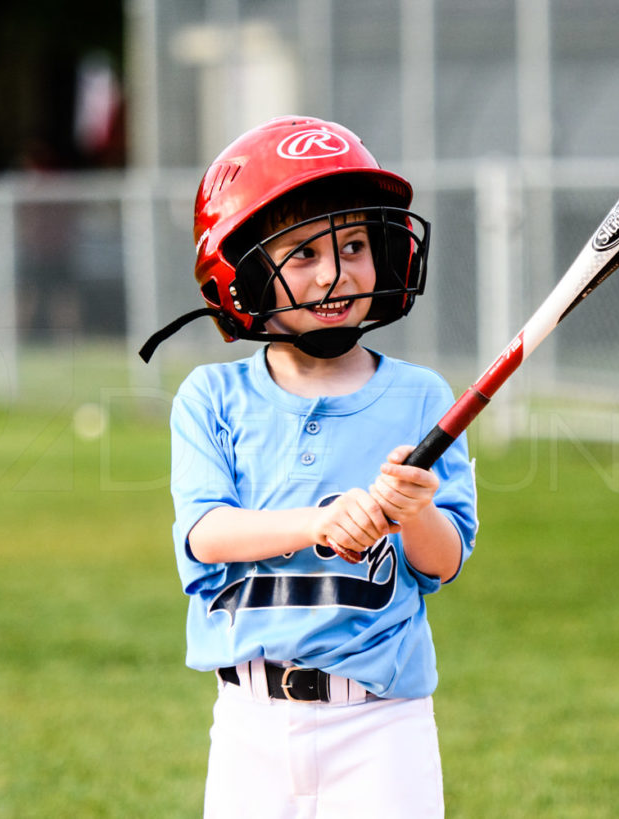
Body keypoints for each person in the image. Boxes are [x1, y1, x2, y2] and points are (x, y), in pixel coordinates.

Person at [143, 116, 478, 818]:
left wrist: (413, 511)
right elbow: (206, 533)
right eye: (301, 254)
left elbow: (442, 564)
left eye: (353, 244)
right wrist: (322, 520)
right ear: (244, 276)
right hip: (250, 721)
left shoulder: (422, 396)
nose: (335, 272)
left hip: (381, 723)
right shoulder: (212, 397)